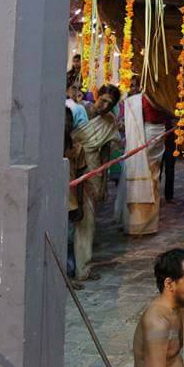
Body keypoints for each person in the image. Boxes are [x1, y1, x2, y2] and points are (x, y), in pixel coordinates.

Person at [71, 84, 121, 281]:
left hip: (93, 171)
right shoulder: (79, 111)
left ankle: (83, 269)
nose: (105, 105)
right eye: (103, 100)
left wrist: (104, 182)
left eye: (110, 103)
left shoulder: (108, 121)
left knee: (88, 221)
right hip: (73, 166)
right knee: (73, 216)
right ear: (97, 96)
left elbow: (106, 153)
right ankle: (72, 266)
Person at [117, 77, 166, 235]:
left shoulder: (160, 96)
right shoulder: (143, 98)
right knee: (144, 172)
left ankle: (147, 224)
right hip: (146, 133)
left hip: (155, 134)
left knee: (152, 176)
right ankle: (136, 223)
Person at [65, 108, 87, 278]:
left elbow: (81, 177)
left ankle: (69, 274)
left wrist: (80, 203)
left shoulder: (77, 149)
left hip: (70, 201)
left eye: (69, 121)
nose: (66, 125)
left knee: (68, 240)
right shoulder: (47, 147)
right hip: (52, 202)